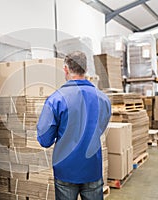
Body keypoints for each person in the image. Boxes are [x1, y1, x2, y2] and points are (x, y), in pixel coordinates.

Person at [37, 51, 111, 200]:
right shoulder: (103, 99)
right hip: (92, 166)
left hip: (66, 168)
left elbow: (45, 140)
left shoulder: (55, 99)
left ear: (66, 69)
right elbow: (101, 127)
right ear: (86, 69)